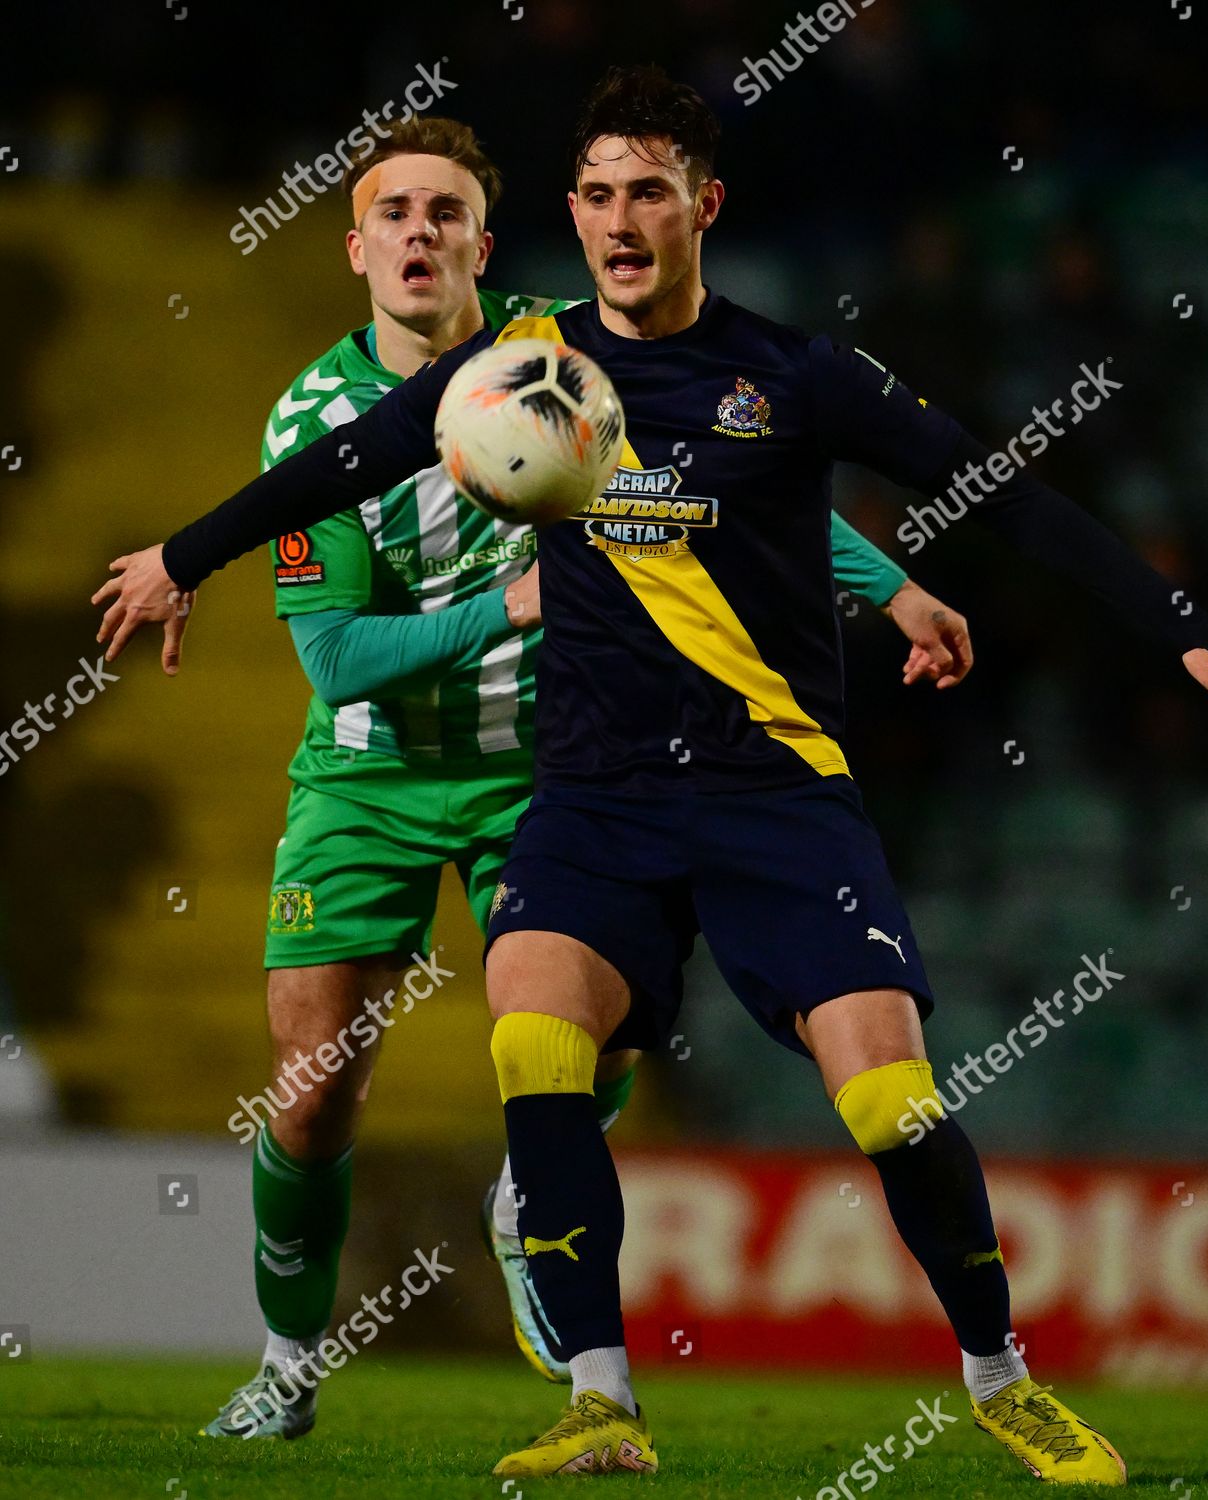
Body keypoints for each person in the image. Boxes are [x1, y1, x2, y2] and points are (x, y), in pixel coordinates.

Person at [93, 65, 1208, 1485]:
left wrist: (1182, 627)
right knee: (532, 1048)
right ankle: (601, 1405)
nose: (622, 218)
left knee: (889, 1107)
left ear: (702, 207)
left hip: (774, 795)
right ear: (573, 211)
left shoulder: (795, 377)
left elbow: (1007, 490)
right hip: (595, 800)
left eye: (650, 192)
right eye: (600, 192)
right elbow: (347, 460)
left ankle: (999, 1378)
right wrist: (185, 555)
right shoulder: (526, 371)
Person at [97, 111, 969, 1443]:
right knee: (316, 1082)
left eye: (445, 214)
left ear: (483, 244)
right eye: (395, 214)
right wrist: (508, 611)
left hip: (550, 768)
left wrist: (891, 584)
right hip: (371, 776)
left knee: (591, 1031)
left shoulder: (557, 355)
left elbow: (730, 501)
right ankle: (285, 1365)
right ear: (356, 249)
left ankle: (532, 1198)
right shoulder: (315, 421)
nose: (420, 236)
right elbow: (336, 662)